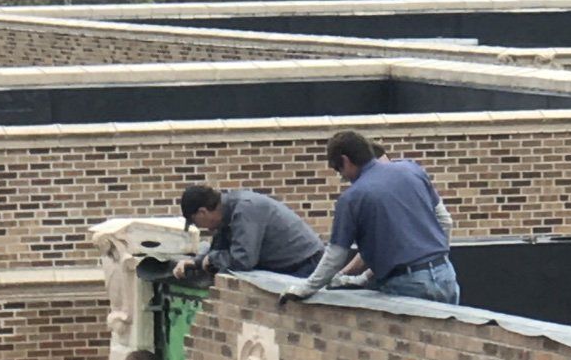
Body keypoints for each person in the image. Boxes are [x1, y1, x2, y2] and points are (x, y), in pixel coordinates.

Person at [280, 130, 459, 305]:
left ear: (345, 160)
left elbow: (335, 255)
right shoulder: (412, 170)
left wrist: (305, 288)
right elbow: (445, 221)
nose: (342, 177)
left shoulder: (352, 198)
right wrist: (437, 258)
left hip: (406, 285)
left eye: (338, 169)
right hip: (446, 275)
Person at [173, 184, 323, 281]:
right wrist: (196, 262)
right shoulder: (226, 214)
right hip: (289, 266)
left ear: (202, 212)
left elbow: (243, 260)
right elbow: (219, 248)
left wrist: (212, 260)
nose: (200, 227)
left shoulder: (245, 210)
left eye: (195, 222)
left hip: (306, 265)